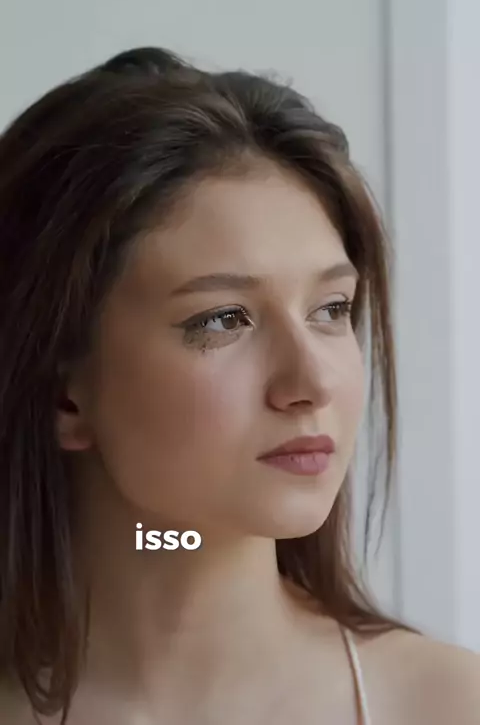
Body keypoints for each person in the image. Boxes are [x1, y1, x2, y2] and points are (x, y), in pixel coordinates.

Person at [0, 47, 478, 725]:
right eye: (223, 319)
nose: (311, 382)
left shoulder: (448, 706)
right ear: (64, 394)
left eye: (331, 309)